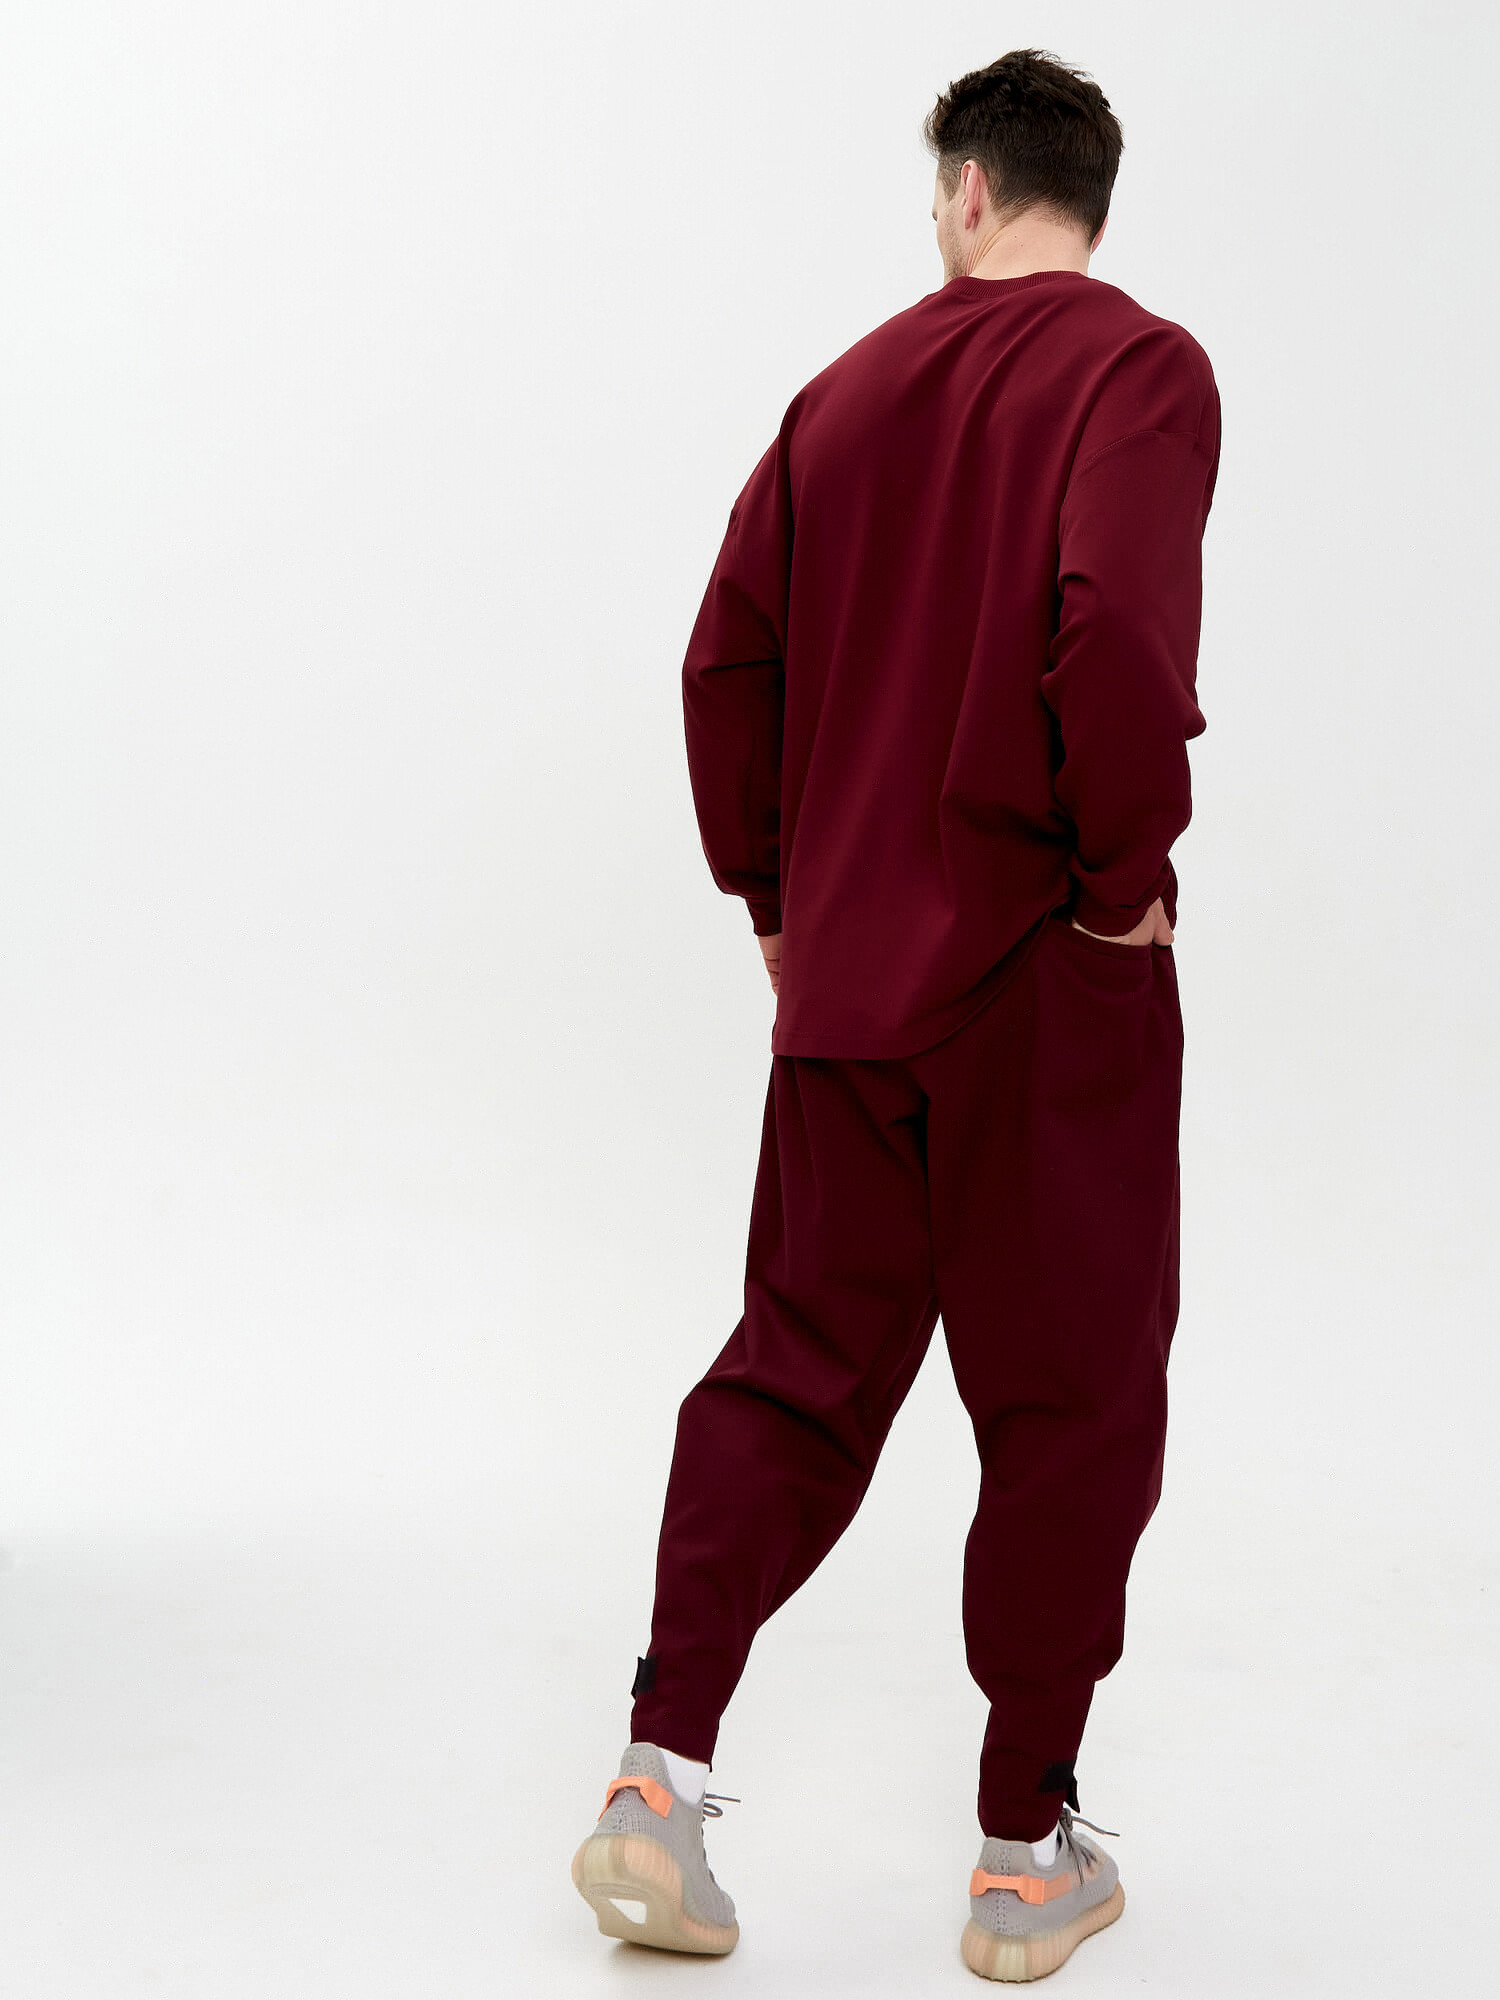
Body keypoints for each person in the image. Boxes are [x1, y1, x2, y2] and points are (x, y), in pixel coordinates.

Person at [571, 46, 1222, 1984]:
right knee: (1070, 1400)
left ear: (968, 191)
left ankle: (655, 1777)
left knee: (789, 1374)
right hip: (1044, 977)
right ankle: (1023, 1858)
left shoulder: (840, 394)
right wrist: (1117, 883)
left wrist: (781, 898)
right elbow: (1117, 633)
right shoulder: (1140, 370)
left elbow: (726, 661)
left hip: (851, 989)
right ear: (1084, 193)